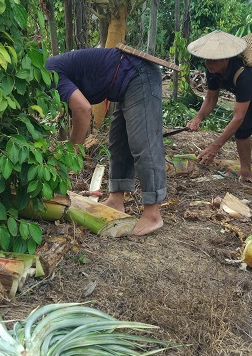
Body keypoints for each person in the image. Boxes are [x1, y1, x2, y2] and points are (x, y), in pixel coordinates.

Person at [46, 47, 166, 236]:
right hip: (124, 84)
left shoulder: (47, 74)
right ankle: (116, 200)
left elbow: (83, 110)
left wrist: (72, 152)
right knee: (119, 142)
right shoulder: (45, 72)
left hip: (138, 73)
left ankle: (153, 214)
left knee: (143, 143)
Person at [186, 29, 252, 188]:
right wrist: (198, 117)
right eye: (207, 60)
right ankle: (245, 172)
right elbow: (211, 98)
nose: (209, 64)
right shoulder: (212, 71)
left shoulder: (244, 75)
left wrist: (215, 146)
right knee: (243, 129)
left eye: (214, 60)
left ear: (226, 59)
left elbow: (238, 117)